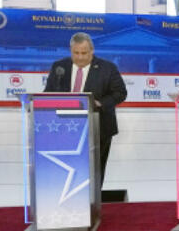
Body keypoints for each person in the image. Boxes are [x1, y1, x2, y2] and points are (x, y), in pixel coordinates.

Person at [44, 32, 128, 185]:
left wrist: (100, 103)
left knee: (95, 171)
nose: (80, 57)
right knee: (68, 168)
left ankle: (93, 204)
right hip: (65, 128)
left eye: (84, 53)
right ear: (71, 51)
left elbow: (120, 93)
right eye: (76, 53)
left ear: (92, 51)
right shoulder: (59, 67)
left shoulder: (107, 68)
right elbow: (48, 94)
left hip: (99, 127)